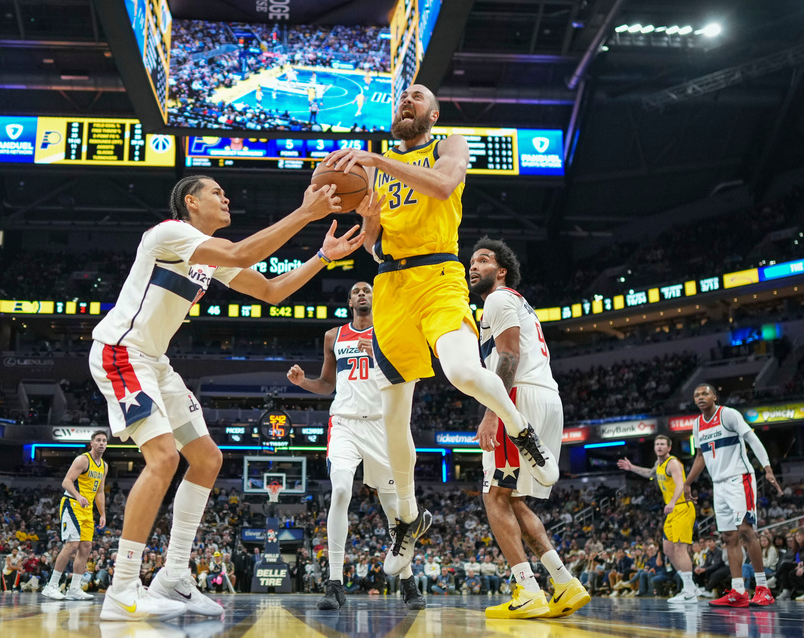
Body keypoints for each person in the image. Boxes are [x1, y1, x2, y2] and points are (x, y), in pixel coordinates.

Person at [89, 175, 363, 622]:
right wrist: (306, 213)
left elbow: (272, 292)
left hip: (153, 362)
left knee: (207, 459)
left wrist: (321, 257)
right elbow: (240, 252)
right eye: (217, 192)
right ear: (191, 202)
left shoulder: (205, 259)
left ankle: (174, 576)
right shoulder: (169, 233)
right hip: (121, 352)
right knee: (162, 458)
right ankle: (121, 588)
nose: (227, 196)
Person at [323, 86, 557, 576]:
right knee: (393, 414)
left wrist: (376, 162)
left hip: (439, 275)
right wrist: (361, 232)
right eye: (401, 98)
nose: (407, 101)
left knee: (463, 371)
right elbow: (375, 243)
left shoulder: (448, 145)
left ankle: (522, 429)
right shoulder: (375, 171)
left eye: (417, 97)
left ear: (433, 112)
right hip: (391, 286)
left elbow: (443, 187)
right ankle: (407, 518)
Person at [467, 238, 590, 619]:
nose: (473, 266)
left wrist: (493, 411)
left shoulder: (499, 299)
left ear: (501, 271)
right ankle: (564, 582)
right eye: (471, 261)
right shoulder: (520, 304)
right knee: (513, 497)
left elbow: (508, 356)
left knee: (494, 497)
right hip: (546, 398)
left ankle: (528, 589)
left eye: (483, 260)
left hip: (518, 399)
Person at [286, 281, 424, 611]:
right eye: (357, 291)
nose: (362, 293)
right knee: (341, 492)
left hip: (382, 424)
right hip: (345, 422)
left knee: (394, 512)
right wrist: (302, 382)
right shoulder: (333, 336)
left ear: (377, 297)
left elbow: (409, 373)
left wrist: (381, 356)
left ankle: (407, 581)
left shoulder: (389, 332)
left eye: (367, 290)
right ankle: (334, 584)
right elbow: (326, 383)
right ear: (350, 301)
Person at [683, 383, 782, 607]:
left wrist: (766, 467)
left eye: (705, 393)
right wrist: (688, 482)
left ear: (714, 396)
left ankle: (763, 588)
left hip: (740, 478)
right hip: (719, 485)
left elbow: (752, 439)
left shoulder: (728, 414)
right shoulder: (698, 424)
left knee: (746, 531)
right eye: (696, 394)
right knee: (728, 537)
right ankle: (738, 591)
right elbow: (701, 456)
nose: (700, 397)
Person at [619, 434, 699, 603]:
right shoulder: (659, 464)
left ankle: (689, 591)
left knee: (679, 549)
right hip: (672, 511)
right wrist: (631, 467)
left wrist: (671, 502)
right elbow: (650, 473)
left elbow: (680, 484)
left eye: (663, 444)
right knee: (668, 550)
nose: (660, 446)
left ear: (669, 447)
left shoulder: (673, 463)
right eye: (657, 444)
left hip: (681, 508)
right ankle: (690, 587)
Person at [42, 430, 109, 601]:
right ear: (91, 443)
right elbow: (66, 481)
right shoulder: (82, 459)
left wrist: (102, 514)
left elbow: (100, 491)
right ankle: (51, 586)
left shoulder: (104, 466)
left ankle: (74, 589)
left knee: (86, 546)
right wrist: (79, 496)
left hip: (87, 509)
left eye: (104, 441)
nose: (101, 443)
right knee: (72, 545)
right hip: (72, 503)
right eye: (98, 440)